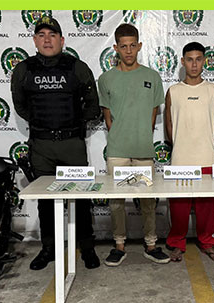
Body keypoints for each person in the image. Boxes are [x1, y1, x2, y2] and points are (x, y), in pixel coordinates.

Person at [11, 16, 100, 270]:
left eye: (52, 35)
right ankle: (49, 248)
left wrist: (72, 123)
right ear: (34, 40)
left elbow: (92, 105)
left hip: (72, 144)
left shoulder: (77, 67)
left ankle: (87, 247)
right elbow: (21, 106)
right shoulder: (24, 70)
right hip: (42, 147)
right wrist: (44, 124)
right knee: (45, 200)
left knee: (81, 197)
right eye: (41, 35)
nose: (47, 40)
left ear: (62, 40)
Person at [97, 23, 170, 266]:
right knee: (116, 201)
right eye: (123, 46)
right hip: (117, 150)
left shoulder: (152, 76)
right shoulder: (106, 79)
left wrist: (141, 135)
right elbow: (108, 117)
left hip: (143, 150)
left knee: (148, 200)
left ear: (139, 46)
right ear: (116, 48)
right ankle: (119, 245)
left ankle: (151, 244)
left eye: (132, 46)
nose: (128, 51)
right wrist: (121, 135)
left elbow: (153, 114)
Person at [164, 42, 214, 262]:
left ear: (204, 61)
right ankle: (176, 242)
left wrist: (203, 142)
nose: (194, 64)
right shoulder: (173, 91)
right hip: (181, 158)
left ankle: (207, 241)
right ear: (182, 62)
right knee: (179, 206)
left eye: (198, 59)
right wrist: (181, 145)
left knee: (206, 206)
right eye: (189, 59)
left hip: (205, 156)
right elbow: (169, 126)